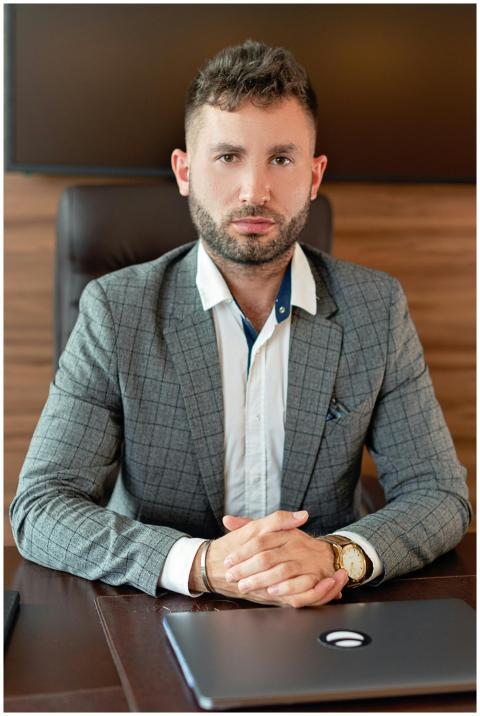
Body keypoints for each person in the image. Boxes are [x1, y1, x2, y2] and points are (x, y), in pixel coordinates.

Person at [10, 40, 471, 608]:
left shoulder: (375, 309)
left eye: (281, 159)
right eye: (227, 157)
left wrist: (336, 556)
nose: (255, 190)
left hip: (322, 605)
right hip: (160, 606)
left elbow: (439, 495)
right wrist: (203, 564)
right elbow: (41, 506)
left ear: (314, 175)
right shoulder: (115, 310)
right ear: (184, 171)